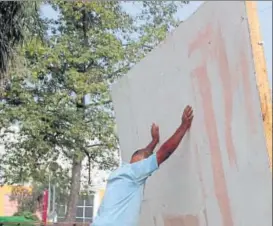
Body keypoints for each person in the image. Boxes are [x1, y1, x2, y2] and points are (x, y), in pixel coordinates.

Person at [92, 105, 194, 226]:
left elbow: (142, 155)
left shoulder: (122, 172)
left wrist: (154, 141)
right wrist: (183, 126)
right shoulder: (136, 173)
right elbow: (164, 152)